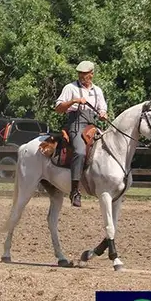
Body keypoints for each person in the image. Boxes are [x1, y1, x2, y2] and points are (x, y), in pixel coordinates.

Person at [53, 60, 108, 208]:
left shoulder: (97, 91)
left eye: (85, 74)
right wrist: (74, 101)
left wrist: (103, 114)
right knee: (80, 151)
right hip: (75, 125)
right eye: (80, 74)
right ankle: (75, 191)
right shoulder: (70, 88)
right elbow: (58, 108)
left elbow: (102, 109)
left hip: (92, 126)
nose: (82, 76)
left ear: (92, 74)